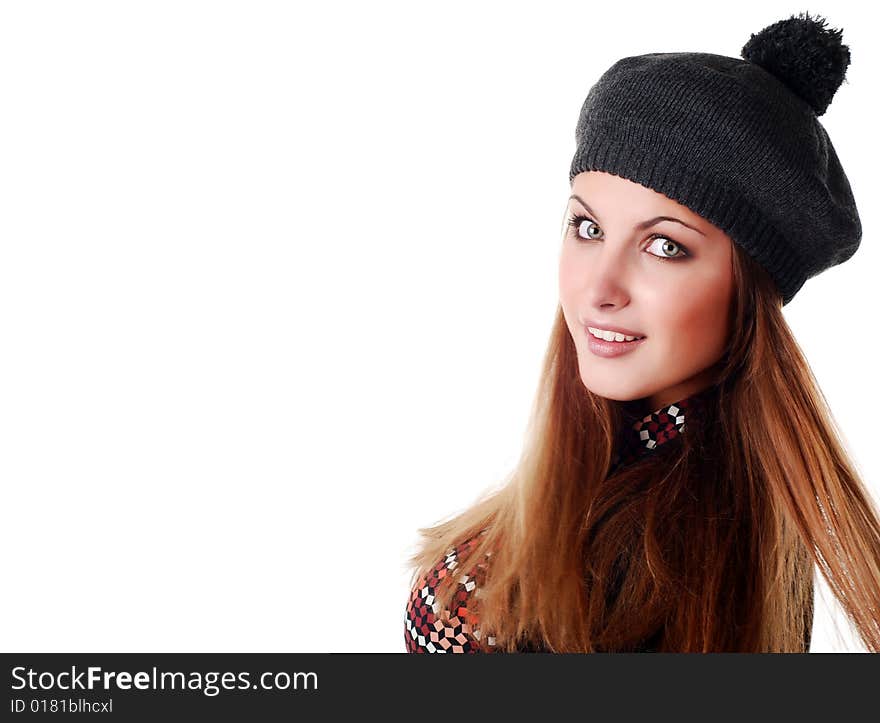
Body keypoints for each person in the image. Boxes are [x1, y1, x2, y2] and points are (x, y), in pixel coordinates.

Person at [404, 11, 880, 653]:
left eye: (663, 245)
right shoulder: (628, 467)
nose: (599, 289)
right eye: (588, 228)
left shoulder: (678, 553)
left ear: (749, 292)